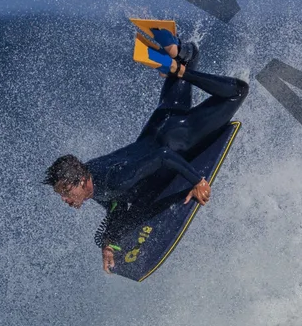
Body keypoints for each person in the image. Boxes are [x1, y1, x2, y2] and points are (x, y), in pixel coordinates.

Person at [45, 42, 249, 272]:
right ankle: (177, 49)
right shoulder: (89, 174)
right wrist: (108, 243)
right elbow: (117, 205)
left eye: (66, 191)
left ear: (81, 181)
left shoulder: (116, 179)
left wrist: (197, 181)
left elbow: (163, 156)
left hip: (178, 135)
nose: (65, 199)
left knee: (238, 92)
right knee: (179, 62)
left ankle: (182, 70)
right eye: (62, 194)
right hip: (160, 121)